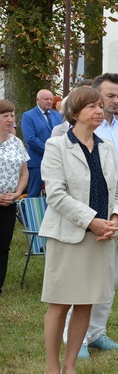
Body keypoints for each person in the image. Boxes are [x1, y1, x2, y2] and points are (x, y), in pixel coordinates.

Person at [39, 87, 118, 374]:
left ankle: (70, 365)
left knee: (86, 302)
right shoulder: (57, 146)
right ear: (74, 113)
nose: (99, 110)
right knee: (61, 303)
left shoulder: (107, 147)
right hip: (68, 236)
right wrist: (91, 220)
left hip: (100, 237)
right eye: (91, 106)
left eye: (101, 106)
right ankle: (52, 367)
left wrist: (113, 218)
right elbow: (56, 195)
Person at [71, 73, 118, 358]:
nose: (115, 101)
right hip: (93, 213)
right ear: (94, 96)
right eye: (109, 96)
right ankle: (74, 337)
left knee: (111, 275)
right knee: (85, 276)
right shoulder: (85, 130)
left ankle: (96, 332)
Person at [0, 100, 29, 296]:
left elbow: (24, 172)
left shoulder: (16, 143)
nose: (11, 120)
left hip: (9, 204)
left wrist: (18, 192)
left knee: (3, 247)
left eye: (12, 115)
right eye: (5, 116)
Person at [21, 89, 63, 197]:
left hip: (56, 161)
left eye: (51, 99)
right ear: (37, 100)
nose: (49, 101)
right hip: (37, 161)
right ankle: (29, 214)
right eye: (46, 99)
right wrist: (50, 149)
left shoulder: (58, 116)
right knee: (34, 194)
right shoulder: (28, 116)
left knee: (55, 193)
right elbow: (30, 138)